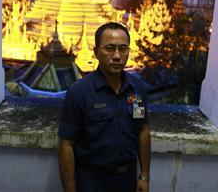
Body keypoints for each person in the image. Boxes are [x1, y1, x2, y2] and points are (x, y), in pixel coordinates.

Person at [58, 22, 151, 192]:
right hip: (92, 180)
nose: (117, 56)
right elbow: (66, 144)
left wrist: (144, 175)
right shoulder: (79, 92)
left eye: (123, 49)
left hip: (127, 178)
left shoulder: (136, 89)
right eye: (109, 48)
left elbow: (143, 130)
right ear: (96, 52)